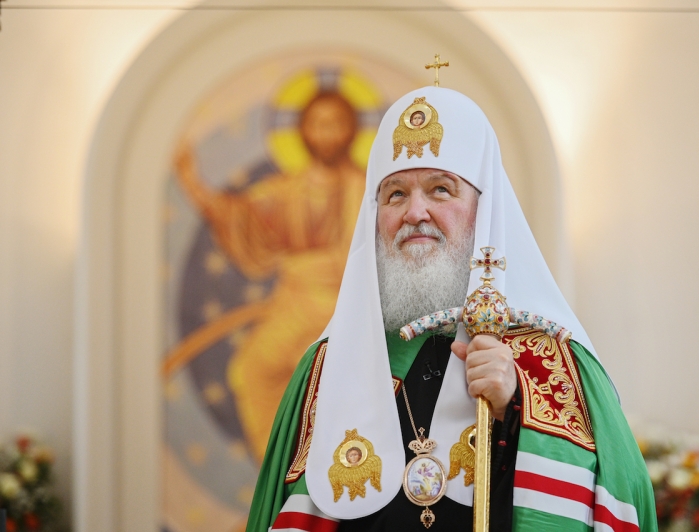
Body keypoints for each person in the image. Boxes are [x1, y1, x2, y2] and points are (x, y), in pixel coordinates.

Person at [246, 86, 657, 531]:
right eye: (396, 194)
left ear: (484, 211)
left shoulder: (556, 362)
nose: (414, 212)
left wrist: (514, 412)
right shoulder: (329, 364)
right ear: (375, 216)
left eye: (441, 189)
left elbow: (611, 499)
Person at [174, 91, 365, 459]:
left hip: (345, 305)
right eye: (318, 124)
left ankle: (341, 470)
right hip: (294, 302)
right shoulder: (288, 190)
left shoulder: (369, 189)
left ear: (351, 132)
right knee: (251, 372)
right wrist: (192, 183)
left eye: (336, 124)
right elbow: (236, 214)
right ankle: (279, 471)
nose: (327, 134)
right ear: (303, 132)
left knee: (329, 384)